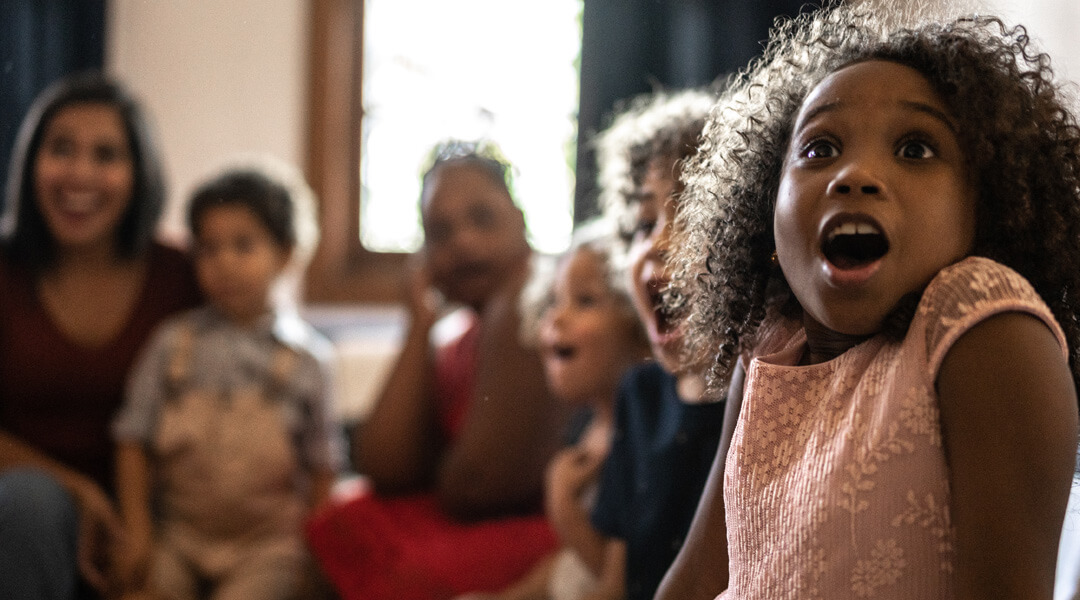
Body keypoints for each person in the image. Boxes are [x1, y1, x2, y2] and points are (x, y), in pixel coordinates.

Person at [657, 4, 1080, 599]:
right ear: (765, 208)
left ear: (989, 208)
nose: (854, 175)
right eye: (819, 148)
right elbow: (698, 580)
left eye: (915, 149)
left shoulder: (981, 323)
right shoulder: (770, 352)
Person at [306, 140, 564, 599]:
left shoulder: (533, 305)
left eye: (482, 218)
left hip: (549, 529)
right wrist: (418, 324)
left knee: (403, 572)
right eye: (440, 233)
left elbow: (478, 487)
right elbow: (383, 466)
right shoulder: (460, 335)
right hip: (469, 515)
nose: (463, 241)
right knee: (341, 519)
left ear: (520, 220)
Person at [0, 72, 202, 600]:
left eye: (107, 155)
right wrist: (78, 490)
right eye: (60, 149)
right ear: (31, 163)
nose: (80, 174)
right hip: (24, 510)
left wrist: (138, 524)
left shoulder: (185, 275)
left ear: (139, 173)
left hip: (158, 511)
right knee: (29, 504)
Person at [110, 161, 341, 600]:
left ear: (287, 253)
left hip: (268, 549)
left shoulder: (309, 360)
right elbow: (132, 439)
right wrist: (137, 532)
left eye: (243, 245)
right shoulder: (170, 344)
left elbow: (323, 467)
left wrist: (316, 558)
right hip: (177, 538)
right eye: (209, 249)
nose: (224, 263)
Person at [564, 88, 726, 600]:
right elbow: (617, 577)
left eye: (690, 214)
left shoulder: (767, 402)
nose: (656, 242)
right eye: (642, 223)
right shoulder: (639, 395)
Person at [457, 221, 652, 600]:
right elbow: (568, 566)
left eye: (584, 301)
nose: (556, 319)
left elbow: (624, 584)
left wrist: (564, 507)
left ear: (638, 323)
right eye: (554, 301)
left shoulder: (641, 441)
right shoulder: (587, 425)